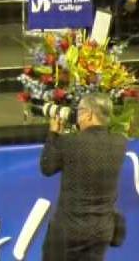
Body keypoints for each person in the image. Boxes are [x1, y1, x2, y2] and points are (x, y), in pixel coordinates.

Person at [40, 93, 127, 261]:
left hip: (67, 233)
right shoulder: (120, 143)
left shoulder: (70, 142)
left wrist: (53, 134)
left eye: (79, 111)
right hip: (100, 232)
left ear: (89, 114)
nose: (77, 116)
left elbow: (47, 167)